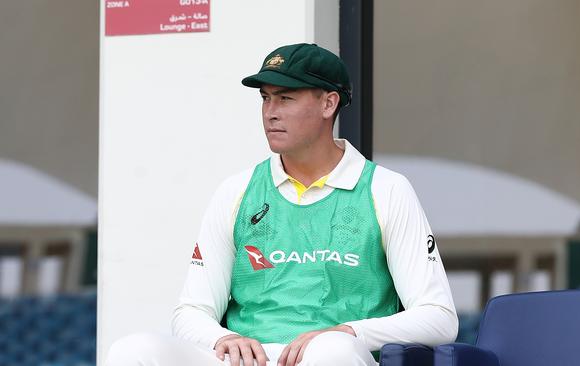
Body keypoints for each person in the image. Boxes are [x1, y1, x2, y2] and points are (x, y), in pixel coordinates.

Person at [106, 43, 457, 366]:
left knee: (330, 351)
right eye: (265, 98)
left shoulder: (386, 189)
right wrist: (223, 337)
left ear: (328, 104)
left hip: (335, 356)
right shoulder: (237, 190)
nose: (270, 112)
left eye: (285, 99)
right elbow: (191, 311)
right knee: (132, 351)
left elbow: (439, 318)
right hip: (247, 359)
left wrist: (349, 332)